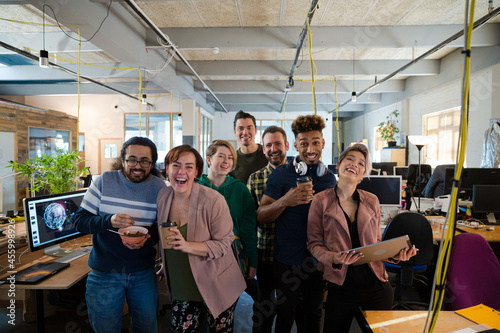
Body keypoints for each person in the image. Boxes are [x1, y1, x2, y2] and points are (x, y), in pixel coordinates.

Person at [307, 143, 418, 333]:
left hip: (376, 285)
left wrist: (395, 255)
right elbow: (314, 244)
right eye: (350, 159)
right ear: (340, 164)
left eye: (361, 163)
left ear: (363, 173)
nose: (354, 164)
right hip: (340, 286)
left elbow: (374, 245)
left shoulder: (371, 200)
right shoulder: (320, 200)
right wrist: (333, 258)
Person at [74, 136, 167, 333]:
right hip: (104, 273)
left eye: (144, 161)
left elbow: (160, 229)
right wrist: (108, 221)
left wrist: (147, 240)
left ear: (152, 163)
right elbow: (79, 221)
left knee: (147, 328)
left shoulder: (160, 187)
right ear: (123, 160)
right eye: (132, 159)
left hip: (143, 272)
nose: (138, 166)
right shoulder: (104, 181)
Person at [257, 115, 336, 333]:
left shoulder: (328, 179)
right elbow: (261, 215)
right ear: (295, 145)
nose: (310, 148)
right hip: (286, 258)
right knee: (285, 312)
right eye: (304, 143)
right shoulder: (282, 175)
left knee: (313, 312)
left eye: (315, 142)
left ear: (322, 143)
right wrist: (286, 200)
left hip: (317, 258)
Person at [157, 145, 246, 333]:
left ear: (197, 171)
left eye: (189, 167)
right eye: (176, 165)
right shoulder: (163, 195)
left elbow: (224, 243)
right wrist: (165, 264)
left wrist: (187, 246)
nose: (182, 172)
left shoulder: (213, 200)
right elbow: (165, 237)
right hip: (182, 284)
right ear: (167, 168)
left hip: (216, 283)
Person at [198, 139, 258, 303]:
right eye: (221, 156)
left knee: (225, 308)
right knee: (200, 307)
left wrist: (253, 260)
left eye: (230, 158)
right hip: (200, 255)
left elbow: (248, 230)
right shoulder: (195, 188)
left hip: (232, 256)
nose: (226, 161)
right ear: (209, 159)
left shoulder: (240, 190)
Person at [247, 126, 289, 333]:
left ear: (287, 145)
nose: (274, 149)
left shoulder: (300, 177)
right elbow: (251, 219)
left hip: (293, 255)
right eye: (268, 145)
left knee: (288, 307)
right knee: (263, 304)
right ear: (263, 150)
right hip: (265, 253)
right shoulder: (255, 179)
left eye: (278, 143)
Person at [229, 110, 268, 184]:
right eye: (240, 128)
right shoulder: (232, 159)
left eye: (249, 128)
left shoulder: (267, 154)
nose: (245, 132)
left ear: (256, 130)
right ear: (235, 132)